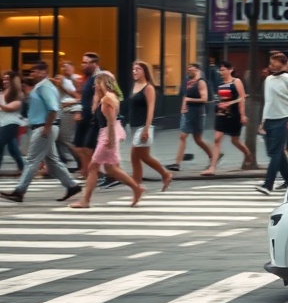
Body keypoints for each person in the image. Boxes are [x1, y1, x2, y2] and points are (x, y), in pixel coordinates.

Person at [0, 62, 81, 203]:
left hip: (44, 127)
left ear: (44, 72)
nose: (32, 74)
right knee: (53, 161)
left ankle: (19, 191)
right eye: (32, 72)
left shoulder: (45, 86)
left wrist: (48, 126)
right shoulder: (41, 87)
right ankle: (72, 185)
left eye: (35, 71)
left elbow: (53, 108)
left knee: (32, 160)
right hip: (43, 127)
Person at [69, 72, 145, 208]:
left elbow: (110, 121)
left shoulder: (107, 99)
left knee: (94, 166)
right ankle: (136, 188)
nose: (94, 86)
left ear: (102, 83)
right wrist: (96, 97)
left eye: (96, 83)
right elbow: (99, 114)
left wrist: (110, 140)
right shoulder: (106, 97)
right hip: (108, 133)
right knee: (111, 168)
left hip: (108, 134)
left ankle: (85, 201)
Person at [256, 52, 288, 195]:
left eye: (274, 62)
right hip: (269, 119)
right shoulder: (268, 79)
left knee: (275, 152)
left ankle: (267, 185)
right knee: (274, 152)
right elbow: (268, 102)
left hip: (283, 119)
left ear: (282, 63)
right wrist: (262, 121)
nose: (271, 64)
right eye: (271, 61)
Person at [202, 61, 253, 175]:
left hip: (234, 114)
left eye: (223, 69)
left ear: (230, 70)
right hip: (222, 114)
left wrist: (242, 115)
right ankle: (212, 167)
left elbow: (242, 98)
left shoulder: (236, 81)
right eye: (220, 70)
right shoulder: (220, 84)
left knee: (235, 140)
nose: (221, 72)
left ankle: (248, 154)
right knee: (217, 139)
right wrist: (219, 104)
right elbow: (221, 98)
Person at [129, 61, 173, 190]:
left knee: (143, 156)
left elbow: (151, 109)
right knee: (135, 158)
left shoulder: (148, 88)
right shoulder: (135, 85)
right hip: (134, 126)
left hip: (144, 126)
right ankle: (137, 187)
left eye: (137, 69)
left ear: (144, 71)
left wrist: (146, 129)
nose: (134, 71)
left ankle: (165, 174)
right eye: (133, 69)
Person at [167, 63, 213, 171]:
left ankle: (213, 156)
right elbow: (185, 96)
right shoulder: (188, 82)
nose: (188, 70)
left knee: (198, 139)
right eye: (187, 68)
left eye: (190, 68)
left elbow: (204, 99)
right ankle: (177, 164)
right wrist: (183, 107)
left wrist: (189, 100)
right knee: (183, 136)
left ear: (197, 70)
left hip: (198, 113)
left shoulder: (201, 82)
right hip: (188, 112)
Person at [72, 52, 100, 178]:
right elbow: (84, 98)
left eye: (86, 63)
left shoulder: (101, 77)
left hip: (94, 119)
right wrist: (78, 110)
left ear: (94, 64)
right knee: (78, 148)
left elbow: (114, 95)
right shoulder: (87, 78)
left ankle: (92, 174)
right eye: (83, 62)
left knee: (89, 149)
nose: (83, 65)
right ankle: (87, 172)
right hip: (84, 116)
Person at [0, 71, 25, 174]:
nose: (5, 81)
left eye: (7, 79)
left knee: (0, 145)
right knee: (12, 147)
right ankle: (22, 167)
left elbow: (8, 108)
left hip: (11, 123)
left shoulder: (18, 93)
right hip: (2, 122)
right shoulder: (3, 92)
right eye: (4, 79)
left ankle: (23, 168)